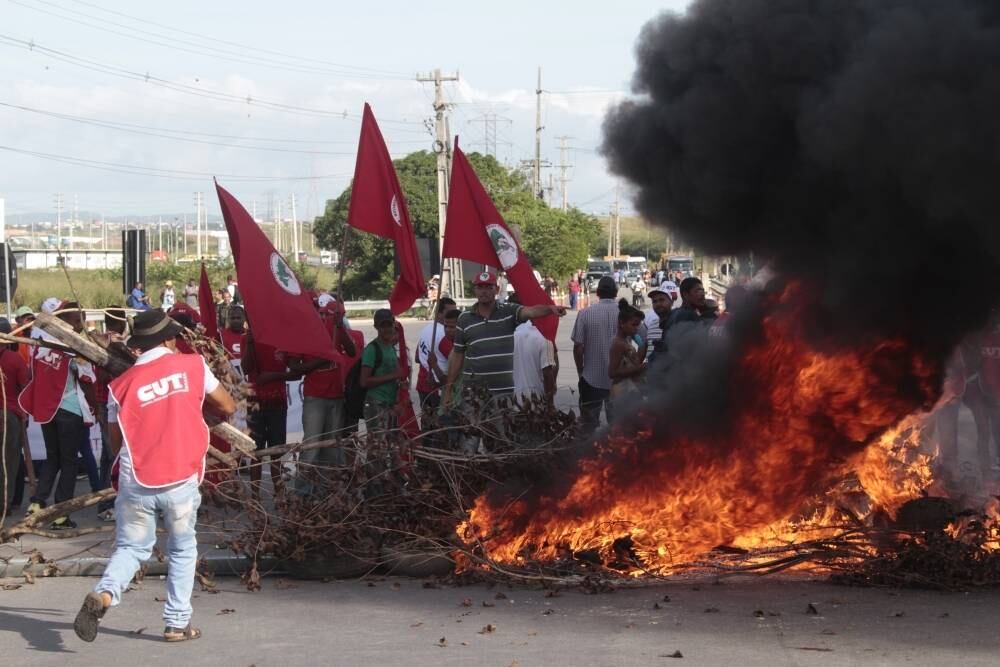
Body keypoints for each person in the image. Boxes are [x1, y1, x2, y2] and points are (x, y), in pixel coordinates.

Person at [73, 309, 236, 644]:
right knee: (182, 549)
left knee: (132, 547)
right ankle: (177, 624)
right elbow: (228, 406)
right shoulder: (191, 365)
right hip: (181, 477)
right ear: (168, 339)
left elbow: (116, 440)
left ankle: (104, 594)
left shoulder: (122, 384)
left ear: (139, 346)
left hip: (138, 479)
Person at [441, 271, 566, 411]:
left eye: (489, 287)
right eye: (480, 287)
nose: (484, 291)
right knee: (476, 431)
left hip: (506, 394)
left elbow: (531, 311)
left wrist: (550, 309)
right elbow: (458, 355)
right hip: (475, 394)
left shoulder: (509, 311)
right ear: (475, 290)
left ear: (497, 289)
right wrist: (448, 391)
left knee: (503, 431)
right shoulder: (464, 319)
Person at [21, 302, 97, 529]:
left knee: (52, 458)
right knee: (70, 462)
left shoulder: (41, 344)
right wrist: (96, 408)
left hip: (47, 411)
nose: (80, 327)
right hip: (69, 410)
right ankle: (62, 513)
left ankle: (37, 502)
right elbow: (88, 380)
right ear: (68, 321)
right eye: (77, 321)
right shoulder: (74, 347)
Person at [289, 297, 357, 485]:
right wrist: (321, 361)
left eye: (323, 313)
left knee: (332, 448)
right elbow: (295, 367)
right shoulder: (303, 333)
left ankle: (328, 493)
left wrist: (340, 327)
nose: (320, 315)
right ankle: (302, 492)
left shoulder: (334, 327)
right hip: (315, 398)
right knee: (311, 446)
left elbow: (351, 351)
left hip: (336, 396)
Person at [572, 276, 646, 430]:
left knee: (588, 426)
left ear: (597, 292)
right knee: (619, 427)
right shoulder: (628, 314)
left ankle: (587, 452)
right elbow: (644, 340)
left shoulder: (585, 314)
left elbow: (578, 347)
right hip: (621, 381)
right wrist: (635, 363)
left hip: (592, 379)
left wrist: (581, 371)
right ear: (616, 292)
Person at [242, 321, 299, 496]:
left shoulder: (284, 339)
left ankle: (279, 495)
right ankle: (255, 497)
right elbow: (246, 367)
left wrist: (274, 376)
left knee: (276, 452)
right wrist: (251, 344)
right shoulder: (249, 338)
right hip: (255, 403)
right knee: (256, 453)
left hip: (277, 402)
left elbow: (297, 372)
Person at [0, 318, 29, 514]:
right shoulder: (15, 359)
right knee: (9, 462)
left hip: (9, 413)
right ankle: (5, 504)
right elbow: (25, 389)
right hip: (10, 414)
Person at [360, 309, 404, 432]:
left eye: (388, 325)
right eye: (382, 326)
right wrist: (393, 375)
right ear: (376, 327)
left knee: (390, 445)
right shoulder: (372, 349)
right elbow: (364, 382)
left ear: (393, 324)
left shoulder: (390, 347)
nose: (386, 329)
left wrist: (397, 401)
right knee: (378, 446)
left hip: (389, 405)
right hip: (376, 404)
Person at [415, 298, 457, 414]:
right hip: (438, 389)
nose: (453, 316)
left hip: (422, 384)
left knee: (427, 425)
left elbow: (417, 357)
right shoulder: (444, 336)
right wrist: (433, 366)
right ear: (439, 313)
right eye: (449, 313)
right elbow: (457, 363)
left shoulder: (427, 328)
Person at [609, 299, 647, 410]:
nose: (637, 328)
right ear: (622, 323)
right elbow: (612, 372)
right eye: (634, 324)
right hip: (622, 395)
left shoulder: (626, 341)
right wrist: (640, 368)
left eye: (638, 325)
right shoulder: (618, 344)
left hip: (629, 393)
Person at [512, 318, 556, 403]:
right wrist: (550, 404)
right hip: (536, 401)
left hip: (512, 401)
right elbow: (547, 374)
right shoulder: (544, 340)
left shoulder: (512, 335)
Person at [643, 287, 674, 363]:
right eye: (654, 301)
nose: (658, 304)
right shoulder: (652, 324)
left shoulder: (678, 322)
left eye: (662, 300)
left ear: (671, 302)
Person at [219, 305, 246, 377]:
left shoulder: (250, 335)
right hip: (230, 376)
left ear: (244, 318)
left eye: (238, 318)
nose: (236, 320)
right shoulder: (221, 335)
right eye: (233, 318)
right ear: (228, 319)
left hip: (248, 376)